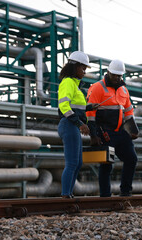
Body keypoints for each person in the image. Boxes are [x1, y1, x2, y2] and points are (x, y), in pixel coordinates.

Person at [86, 59, 138, 197]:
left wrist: (132, 130)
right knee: (107, 164)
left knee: (131, 158)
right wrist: (93, 135)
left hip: (121, 131)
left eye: (119, 75)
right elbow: (90, 114)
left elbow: (128, 112)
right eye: (114, 74)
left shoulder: (124, 90)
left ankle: (126, 192)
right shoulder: (97, 87)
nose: (116, 77)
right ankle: (105, 196)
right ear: (108, 72)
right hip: (104, 132)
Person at [57, 51, 98, 198]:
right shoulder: (68, 82)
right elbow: (64, 106)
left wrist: (89, 107)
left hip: (72, 125)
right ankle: (66, 195)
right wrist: (80, 123)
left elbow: (76, 107)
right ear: (74, 67)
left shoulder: (75, 86)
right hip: (69, 124)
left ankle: (68, 194)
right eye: (83, 68)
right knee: (72, 163)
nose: (84, 72)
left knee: (78, 163)